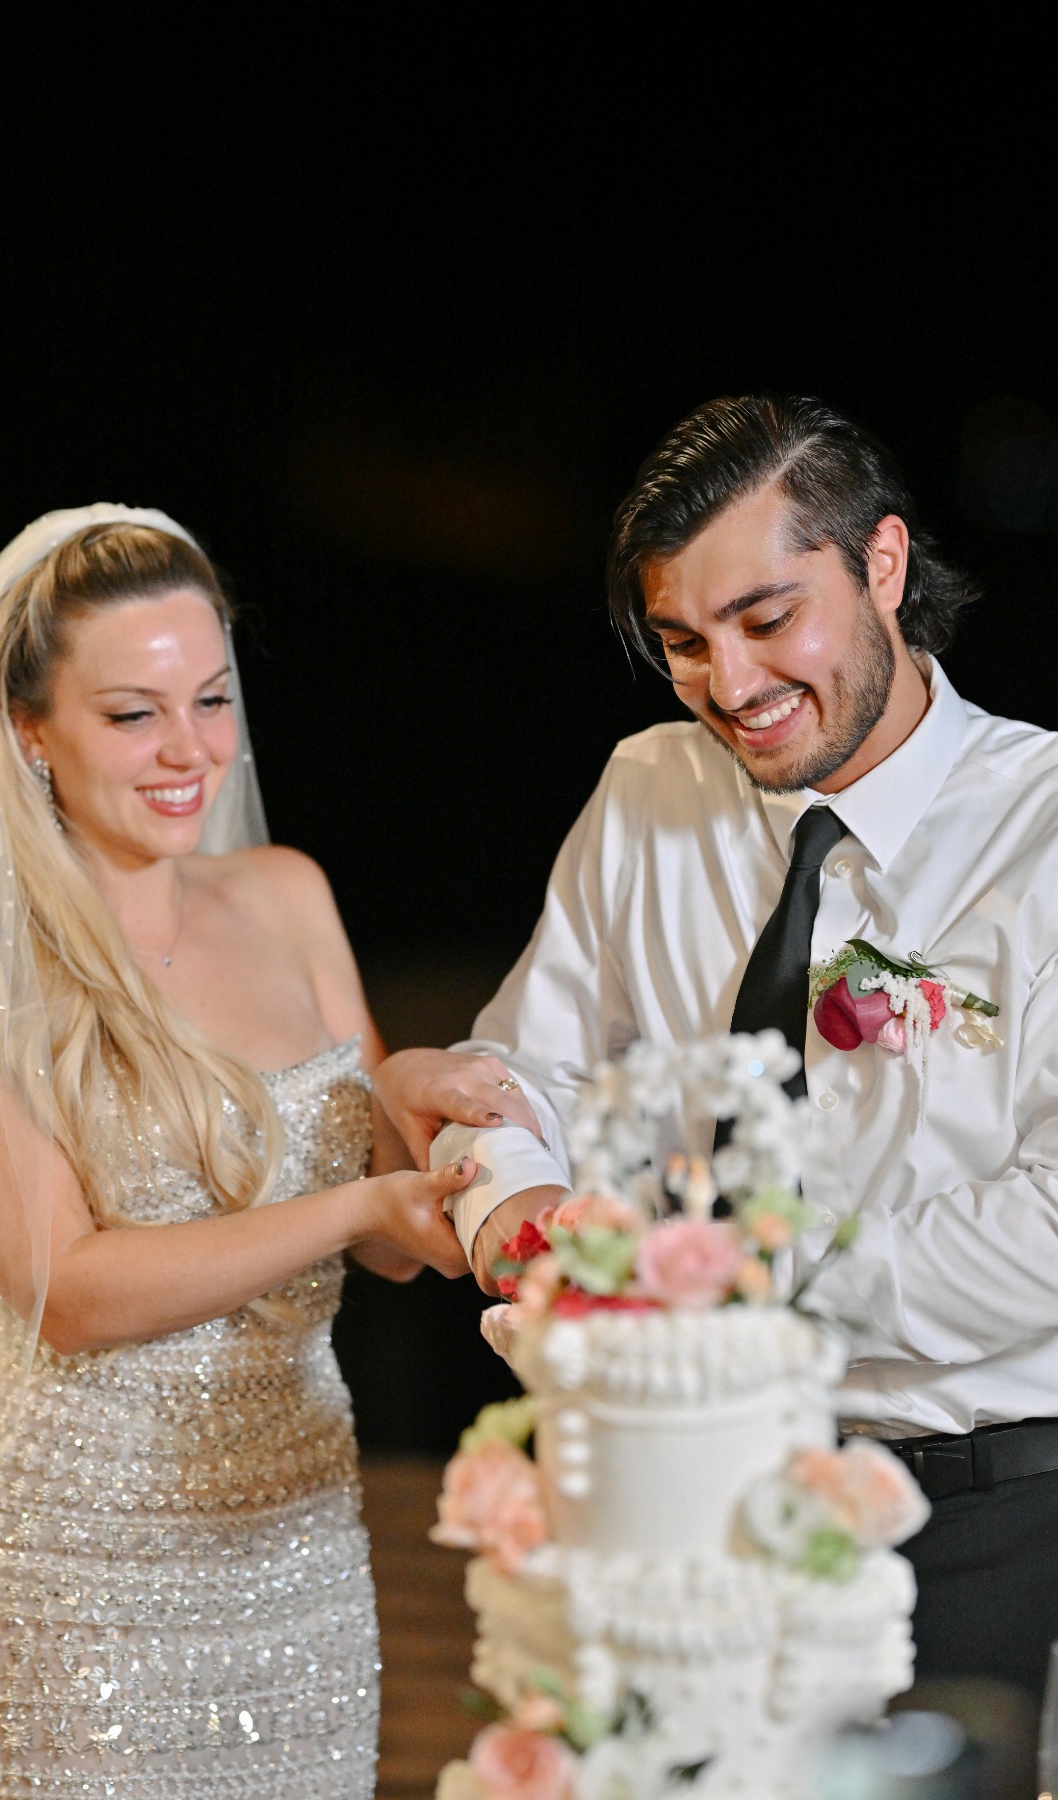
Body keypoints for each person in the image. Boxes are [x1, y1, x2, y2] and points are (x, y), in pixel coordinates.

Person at [375, 396, 1058, 1702]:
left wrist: (724, 1285)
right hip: (683, 1518)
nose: (730, 688)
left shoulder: (1044, 829)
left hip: (995, 1530)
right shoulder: (650, 792)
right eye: (683, 643)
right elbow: (513, 1078)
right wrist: (516, 1204)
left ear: (884, 566)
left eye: (766, 620)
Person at [0, 505, 473, 1796]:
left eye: (209, 699)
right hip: (73, 1563)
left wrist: (427, 1106)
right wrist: (362, 1194)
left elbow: (390, 1245)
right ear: (27, 729)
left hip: (296, 1545)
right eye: (132, 713)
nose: (190, 751)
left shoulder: (287, 894)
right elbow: (68, 1294)